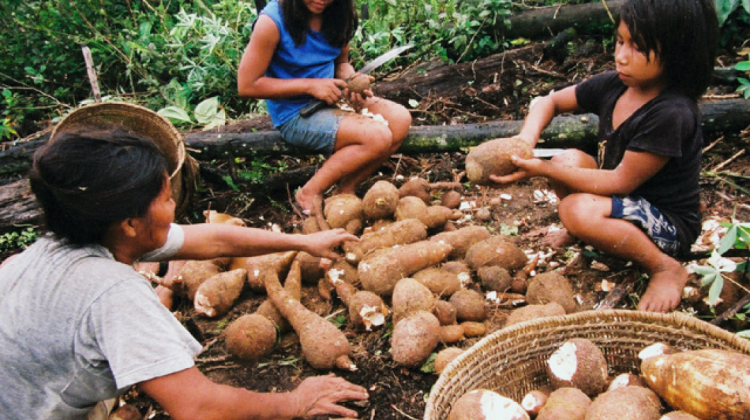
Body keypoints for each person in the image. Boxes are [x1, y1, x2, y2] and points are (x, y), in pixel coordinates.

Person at [0, 127, 368, 420]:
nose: (174, 204)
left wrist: (301, 242)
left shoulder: (65, 242)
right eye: (164, 198)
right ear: (129, 223)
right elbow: (199, 408)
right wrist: (295, 402)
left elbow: (211, 239)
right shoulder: (113, 294)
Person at [488, 0, 719, 313]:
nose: (621, 56)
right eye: (620, 41)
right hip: (619, 201)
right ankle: (588, 232)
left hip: (667, 225)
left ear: (677, 52)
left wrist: (541, 169)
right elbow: (548, 101)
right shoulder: (615, 84)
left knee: (576, 208)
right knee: (567, 160)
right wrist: (524, 141)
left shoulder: (671, 112)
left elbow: (619, 181)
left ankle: (665, 268)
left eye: (637, 47)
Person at [237, 0, 412, 214]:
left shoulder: (339, 13)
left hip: (334, 98)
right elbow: (247, 85)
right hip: (296, 114)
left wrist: (351, 80)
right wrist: (311, 86)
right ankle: (309, 192)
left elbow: (341, 63)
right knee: (377, 136)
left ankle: (346, 189)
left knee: (400, 119)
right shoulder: (271, 22)